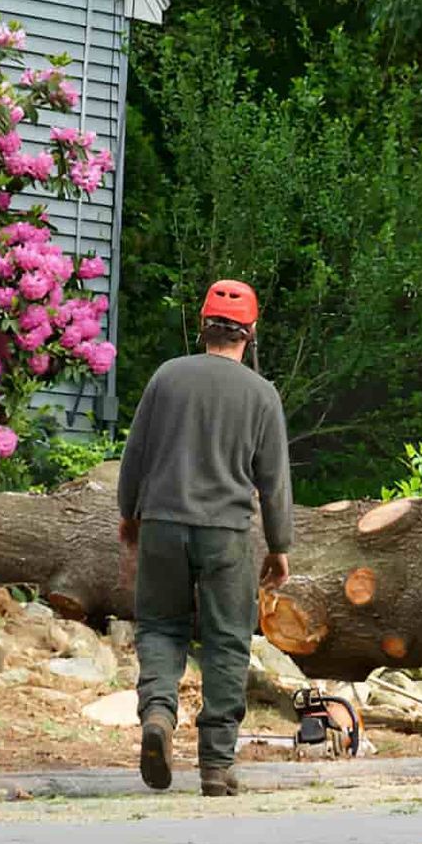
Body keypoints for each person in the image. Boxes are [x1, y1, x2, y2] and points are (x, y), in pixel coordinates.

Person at [117, 279, 293, 797]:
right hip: (227, 533)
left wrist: (130, 513)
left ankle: (158, 716)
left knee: (160, 628)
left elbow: (136, 456)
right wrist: (280, 545)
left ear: (203, 326)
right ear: (251, 332)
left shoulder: (167, 378)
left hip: (164, 525)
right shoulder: (261, 395)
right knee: (226, 642)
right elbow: (274, 479)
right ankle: (216, 766)